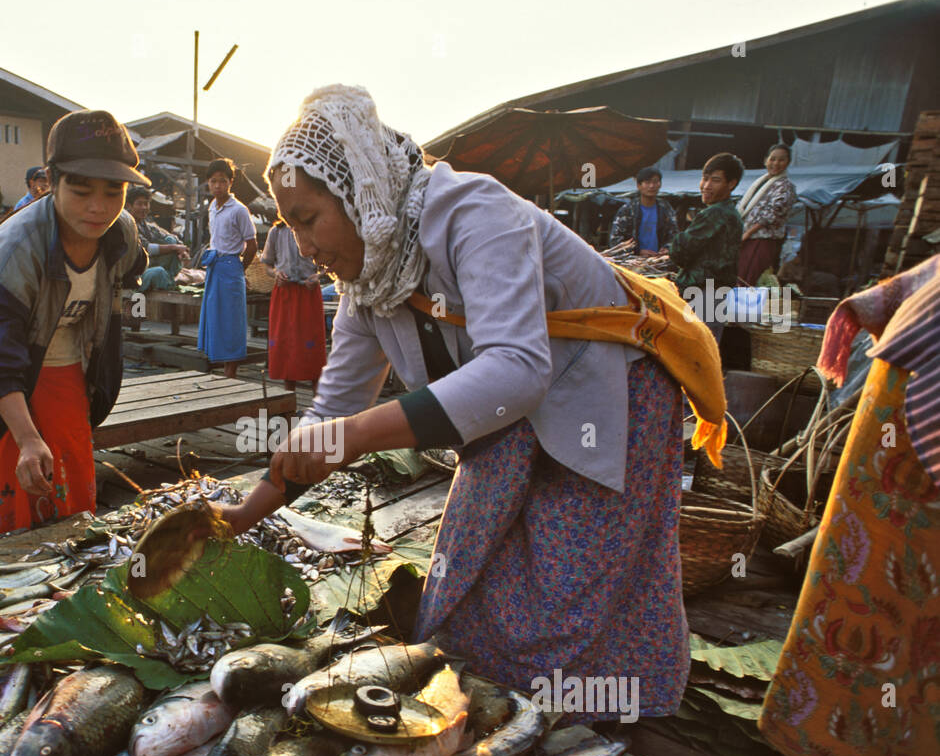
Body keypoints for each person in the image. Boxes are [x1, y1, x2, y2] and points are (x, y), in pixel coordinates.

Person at [211, 85, 727, 723]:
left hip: (606, 394)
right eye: (290, 227)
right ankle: (498, 706)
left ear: (358, 191)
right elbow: (331, 413)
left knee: (572, 586)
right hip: (506, 422)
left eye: (309, 219)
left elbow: (516, 368)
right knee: (470, 574)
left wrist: (356, 435)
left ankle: (583, 724)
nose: (304, 247)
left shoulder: (473, 211)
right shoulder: (368, 284)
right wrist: (243, 512)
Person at [759, 257, 940, 756]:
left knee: (881, 581)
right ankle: (836, 754)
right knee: (873, 573)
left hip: (911, 371)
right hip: (914, 380)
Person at [0, 110, 148, 537]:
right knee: (21, 504)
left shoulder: (122, 232)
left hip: (68, 375)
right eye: (80, 191)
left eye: (115, 192)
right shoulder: (18, 244)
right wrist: (27, 437)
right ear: (51, 181)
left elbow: (133, 267)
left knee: (74, 500)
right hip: (3, 387)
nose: (98, 207)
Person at [666, 152, 744, 331]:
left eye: (715, 180)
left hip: (702, 294)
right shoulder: (732, 213)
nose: (706, 186)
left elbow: (679, 252)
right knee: (707, 347)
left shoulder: (714, 214)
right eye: (705, 178)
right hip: (716, 295)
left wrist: (677, 239)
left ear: (731, 184)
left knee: (691, 348)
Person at [197, 157, 257, 377]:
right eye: (213, 181)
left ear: (231, 182)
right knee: (215, 318)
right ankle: (218, 371)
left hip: (231, 266)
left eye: (222, 181)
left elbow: (252, 245)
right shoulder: (212, 206)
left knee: (232, 321)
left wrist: (240, 269)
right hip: (214, 267)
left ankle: (231, 374)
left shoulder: (239, 210)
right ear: (208, 183)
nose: (217, 186)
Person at [261, 219, 326, 391]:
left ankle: (319, 407)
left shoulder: (313, 228)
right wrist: (275, 273)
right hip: (284, 294)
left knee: (311, 347)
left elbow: (328, 263)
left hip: (308, 292)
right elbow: (267, 265)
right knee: (285, 345)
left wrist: (318, 277)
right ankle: (288, 402)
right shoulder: (276, 231)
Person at [737, 143, 798, 286]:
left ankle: (742, 308)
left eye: (781, 160)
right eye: (773, 159)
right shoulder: (760, 183)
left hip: (761, 240)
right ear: (766, 160)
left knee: (747, 281)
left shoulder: (785, 186)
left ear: (788, 163)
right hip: (745, 239)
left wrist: (746, 234)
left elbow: (772, 215)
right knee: (737, 278)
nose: (776, 163)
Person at [127, 186, 189, 290]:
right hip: (133, 273)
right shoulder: (127, 225)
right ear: (129, 205)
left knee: (171, 241)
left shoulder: (145, 225)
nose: (143, 208)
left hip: (147, 266)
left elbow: (167, 235)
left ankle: (169, 279)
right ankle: (166, 282)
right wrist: (174, 247)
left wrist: (181, 248)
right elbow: (147, 248)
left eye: (146, 204)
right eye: (139, 204)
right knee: (159, 271)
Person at [609, 166, 679, 254]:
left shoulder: (666, 208)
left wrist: (667, 248)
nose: (652, 186)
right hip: (632, 262)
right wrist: (638, 251)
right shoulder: (627, 210)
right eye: (647, 182)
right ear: (639, 185)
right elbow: (615, 240)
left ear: (660, 184)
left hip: (659, 261)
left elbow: (675, 236)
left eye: (655, 182)